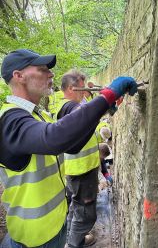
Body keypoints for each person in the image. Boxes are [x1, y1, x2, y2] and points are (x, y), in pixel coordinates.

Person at [0, 48, 138, 248]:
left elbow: (72, 145)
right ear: (19, 76)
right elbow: (55, 138)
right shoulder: (9, 119)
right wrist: (107, 95)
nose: (51, 74)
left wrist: (100, 112)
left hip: (54, 225)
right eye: (42, 69)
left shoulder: (38, 115)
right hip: (33, 238)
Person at [56, 71, 100, 248]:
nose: (84, 92)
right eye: (81, 88)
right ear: (70, 88)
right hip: (81, 169)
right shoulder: (67, 106)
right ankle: (74, 244)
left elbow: (86, 115)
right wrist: (104, 99)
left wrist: (92, 96)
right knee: (86, 213)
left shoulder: (72, 104)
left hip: (80, 168)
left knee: (76, 206)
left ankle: (73, 239)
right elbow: (84, 116)